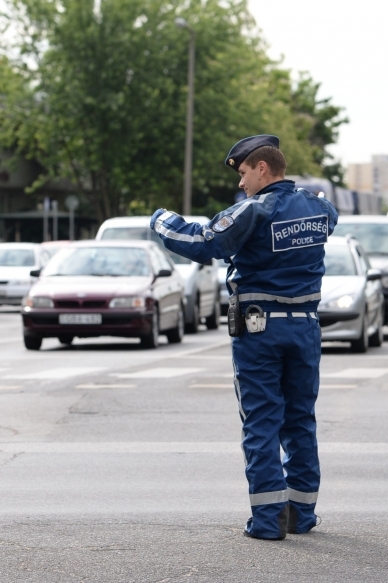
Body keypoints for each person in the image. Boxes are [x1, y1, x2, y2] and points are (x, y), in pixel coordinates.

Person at [150, 135, 338, 540]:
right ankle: (302, 515)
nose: (241, 183)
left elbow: (205, 243)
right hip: (305, 326)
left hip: (261, 329)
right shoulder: (318, 207)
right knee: (300, 420)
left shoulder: (254, 210)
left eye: (243, 173)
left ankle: (269, 522)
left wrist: (161, 221)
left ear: (262, 168)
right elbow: (330, 219)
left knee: (262, 422)